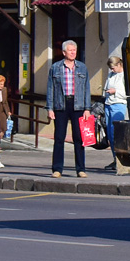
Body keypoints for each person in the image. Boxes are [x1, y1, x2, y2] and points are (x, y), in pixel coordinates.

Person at [47, 40, 89, 178]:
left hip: (78, 106)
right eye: (70, 50)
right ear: (64, 52)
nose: (73, 52)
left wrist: (87, 108)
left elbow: (86, 89)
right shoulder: (55, 67)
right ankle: (57, 169)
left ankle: (80, 169)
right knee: (59, 137)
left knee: (79, 138)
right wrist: (50, 108)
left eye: (74, 50)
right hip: (60, 105)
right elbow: (50, 89)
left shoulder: (82, 67)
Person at [103, 56, 127, 172]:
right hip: (108, 104)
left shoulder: (124, 75)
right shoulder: (111, 75)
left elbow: (128, 92)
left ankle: (120, 160)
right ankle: (114, 159)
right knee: (110, 135)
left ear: (119, 65)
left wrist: (116, 91)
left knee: (116, 133)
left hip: (119, 104)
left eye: (113, 68)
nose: (112, 70)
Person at [0, 75, 12, 141]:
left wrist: (8, 111)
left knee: (3, 127)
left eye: (3, 84)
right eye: (0, 84)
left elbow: (5, 101)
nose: (2, 86)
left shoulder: (4, 90)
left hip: (2, 109)